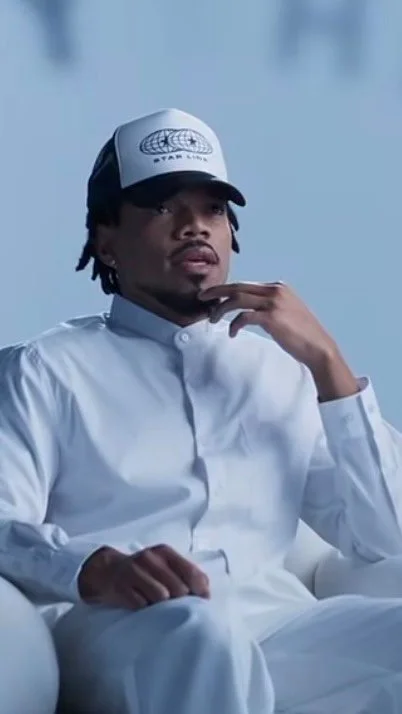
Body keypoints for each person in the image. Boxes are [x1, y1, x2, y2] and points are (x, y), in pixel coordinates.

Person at [1, 108, 402, 714]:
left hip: (273, 626)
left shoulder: (281, 373)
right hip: (120, 627)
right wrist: (92, 567)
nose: (195, 227)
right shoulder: (43, 369)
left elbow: (384, 539)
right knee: (200, 632)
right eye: (164, 207)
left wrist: (328, 364)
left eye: (213, 209)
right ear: (106, 241)